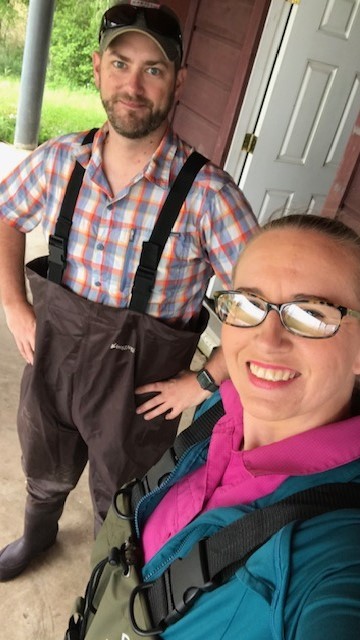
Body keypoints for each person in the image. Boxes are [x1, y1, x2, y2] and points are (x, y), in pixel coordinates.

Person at [0, 1, 257, 581]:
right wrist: (15, 305)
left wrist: (207, 379)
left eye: (154, 70)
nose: (133, 86)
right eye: (120, 63)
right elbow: (6, 215)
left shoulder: (208, 196)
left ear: (179, 82)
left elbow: (268, 305)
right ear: (96, 69)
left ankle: (105, 579)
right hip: (52, 362)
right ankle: (37, 536)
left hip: (141, 393)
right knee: (43, 463)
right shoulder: (59, 161)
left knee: (121, 498)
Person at [111, 214, 360, 639]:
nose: (267, 339)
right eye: (247, 304)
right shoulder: (218, 411)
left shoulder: (335, 553)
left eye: (312, 314)